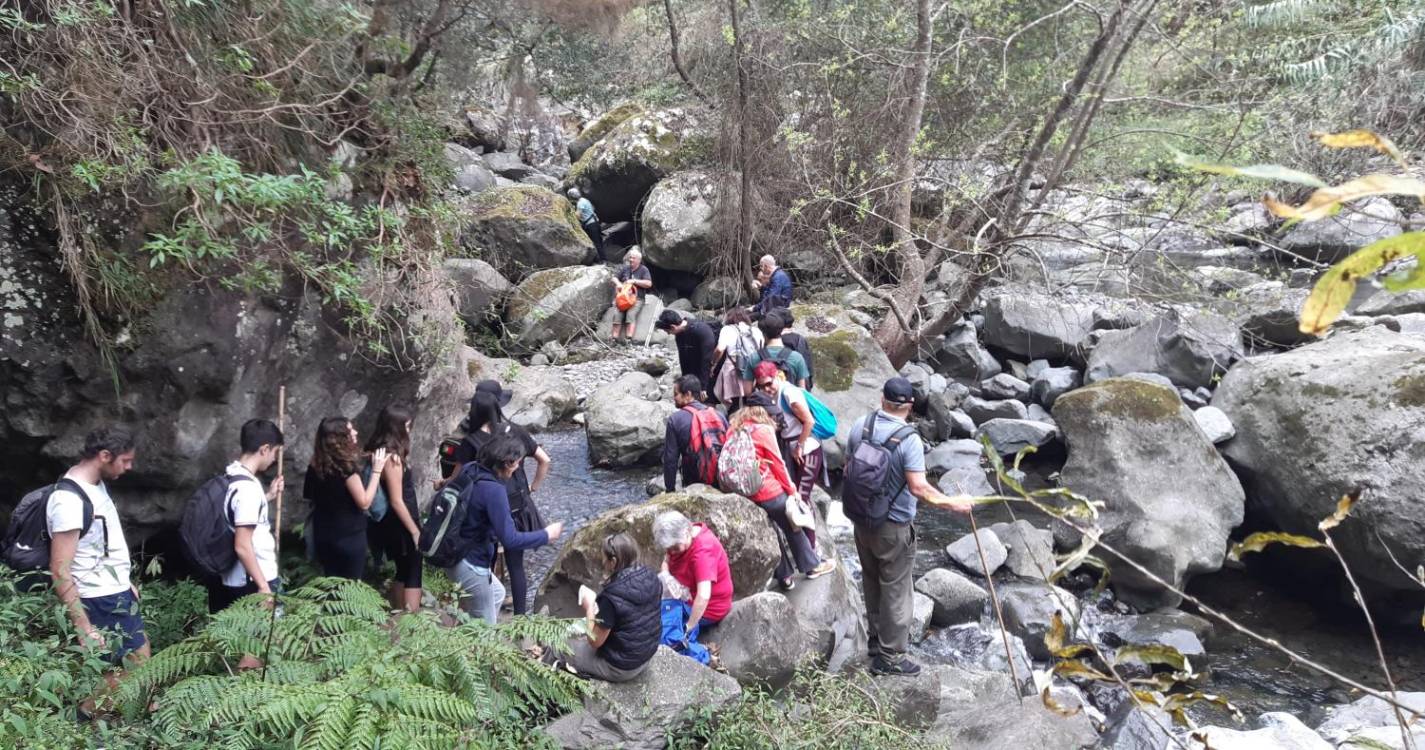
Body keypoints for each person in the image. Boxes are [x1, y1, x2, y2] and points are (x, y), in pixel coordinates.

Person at [846, 377, 973, 676]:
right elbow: (919, 487)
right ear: (910, 406)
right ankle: (889, 659)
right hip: (894, 527)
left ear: (882, 399)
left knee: (872, 580)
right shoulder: (909, 439)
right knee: (897, 590)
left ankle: (877, 642)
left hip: (861, 521)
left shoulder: (860, 426)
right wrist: (952, 503)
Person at [46, 426, 149, 666]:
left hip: (114, 590)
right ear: (104, 456)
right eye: (125, 460)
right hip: (98, 597)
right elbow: (59, 569)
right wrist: (83, 627)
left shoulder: (94, 485)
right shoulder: (68, 501)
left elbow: (101, 545)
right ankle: (87, 706)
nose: (129, 467)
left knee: (140, 654)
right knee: (133, 666)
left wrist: (124, 582)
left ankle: (143, 704)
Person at [446, 432, 563, 624]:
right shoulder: (494, 491)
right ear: (508, 463)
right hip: (470, 562)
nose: (518, 467)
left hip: (454, 552)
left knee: (498, 594)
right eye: (518, 462)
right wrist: (546, 535)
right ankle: (476, 649)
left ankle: (466, 636)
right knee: (485, 626)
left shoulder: (470, 469)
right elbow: (510, 539)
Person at [455, 392, 551, 616]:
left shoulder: (470, 441)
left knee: (485, 561)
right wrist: (532, 489)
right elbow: (545, 460)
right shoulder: (514, 431)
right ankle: (520, 617)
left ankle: (486, 610)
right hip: (517, 505)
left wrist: (442, 483)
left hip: (483, 509)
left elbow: (458, 476)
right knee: (515, 564)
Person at [725, 406, 835, 589]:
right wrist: (792, 490)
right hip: (768, 491)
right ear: (765, 414)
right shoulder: (763, 430)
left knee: (772, 532)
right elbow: (777, 463)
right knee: (793, 526)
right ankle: (812, 566)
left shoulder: (733, 429)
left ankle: (785, 577)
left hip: (744, 493)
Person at [549, 533, 661, 682]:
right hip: (646, 654)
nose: (602, 561)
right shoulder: (651, 575)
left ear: (613, 561)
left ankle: (540, 687)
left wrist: (589, 607)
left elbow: (595, 642)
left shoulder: (611, 597)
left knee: (558, 644)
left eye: (604, 557)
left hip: (621, 667)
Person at [211, 419, 285, 614]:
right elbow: (242, 546)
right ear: (264, 449)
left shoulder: (230, 476)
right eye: (275, 452)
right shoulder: (248, 489)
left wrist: (268, 496)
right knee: (265, 640)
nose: (274, 459)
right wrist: (263, 587)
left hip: (231, 577)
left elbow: (234, 515)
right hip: (251, 579)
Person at [304, 416, 386, 580]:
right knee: (350, 588)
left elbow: (308, 496)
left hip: (324, 535)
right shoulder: (346, 469)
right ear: (341, 438)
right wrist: (377, 471)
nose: (355, 432)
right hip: (349, 536)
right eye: (350, 430)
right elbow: (364, 502)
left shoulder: (315, 466)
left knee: (331, 584)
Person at [365, 405, 424, 612]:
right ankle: (411, 619)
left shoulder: (376, 450)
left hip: (390, 523)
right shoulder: (393, 458)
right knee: (414, 570)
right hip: (401, 522)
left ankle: (398, 614)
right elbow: (397, 500)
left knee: (402, 569)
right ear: (396, 428)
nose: (409, 430)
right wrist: (415, 531)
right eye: (406, 426)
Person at [652, 510, 732, 639]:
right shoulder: (683, 532)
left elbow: (704, 596)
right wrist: (666, 575)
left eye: (674, 548)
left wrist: (688, 627)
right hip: (686, 594)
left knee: (658, 625)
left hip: (709, 608)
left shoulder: (702, 553)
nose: (671, 552)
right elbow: (666, 560)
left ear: (685, 533)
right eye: (668, 548)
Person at [753, 361, 824, 506]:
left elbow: (809, 421)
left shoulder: (789, 393)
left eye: (768, 384)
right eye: (761, 386)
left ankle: (807, 528)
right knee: (795, 495)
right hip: (791, 448)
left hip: (807, 450)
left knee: (801, 498)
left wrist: (799, 447)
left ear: (777, 376)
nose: (766, 389)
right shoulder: (773, 394)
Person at [662, 374, 728, 492]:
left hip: (694, 482)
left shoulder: (675, 420)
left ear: (688, 394)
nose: (674, 398)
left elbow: (670, 460)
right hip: (721, 479)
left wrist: (670, 489)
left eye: (676, 394)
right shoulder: (719, 415)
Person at [711, 307, 764, 413]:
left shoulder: (727, 329)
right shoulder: (755, 330)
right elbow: (761, 349)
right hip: (753, 368)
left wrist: (713, 363)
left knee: (734, 403)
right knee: (750, 399)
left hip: (733, 367)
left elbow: (720, 349)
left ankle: (733, 423)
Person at [655, 309, 718, 395]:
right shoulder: (679, 335)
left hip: (711, 368)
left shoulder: (702, 330)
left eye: (668, 331)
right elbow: (683, 360)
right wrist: (685, 382)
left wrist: (704, 387)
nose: (669, 334)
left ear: (673, 327)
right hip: (696, 365)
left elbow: (706, 360)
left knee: (707, 399)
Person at [744, 314, 810, 388]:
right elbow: (802, 389)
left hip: (764, 399)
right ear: (781, 331)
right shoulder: (797, 357)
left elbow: (747, 391)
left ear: (763, 334)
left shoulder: (754, 357)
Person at [609, 247, 653, 346]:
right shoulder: (625, 268)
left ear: (639, 260)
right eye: (630, 258)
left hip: (637, 299)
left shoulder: (644, 270)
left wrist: (635, 281)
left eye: (633, 258)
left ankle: (628, 339)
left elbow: (649, 283)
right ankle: (614, 339)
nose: (630, 260)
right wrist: (618, 283)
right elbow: (614, 278)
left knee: (630, 314)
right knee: (617, 314)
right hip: (623, 298)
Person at [773, 308, 816, 390]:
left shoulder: (774, 341)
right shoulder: (800, 339)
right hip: (799, 388)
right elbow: (808, 367)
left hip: (777, 388)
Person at [567, 188, 605, 262]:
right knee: (599, 242)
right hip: (596, 222)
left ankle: (602, 260)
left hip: (591, 225)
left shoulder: (579, 203)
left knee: (595, 243)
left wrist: (571, 214)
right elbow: (593, 208)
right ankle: (602, 259)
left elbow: (577, 216)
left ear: (572, 197)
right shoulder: (585, 200)